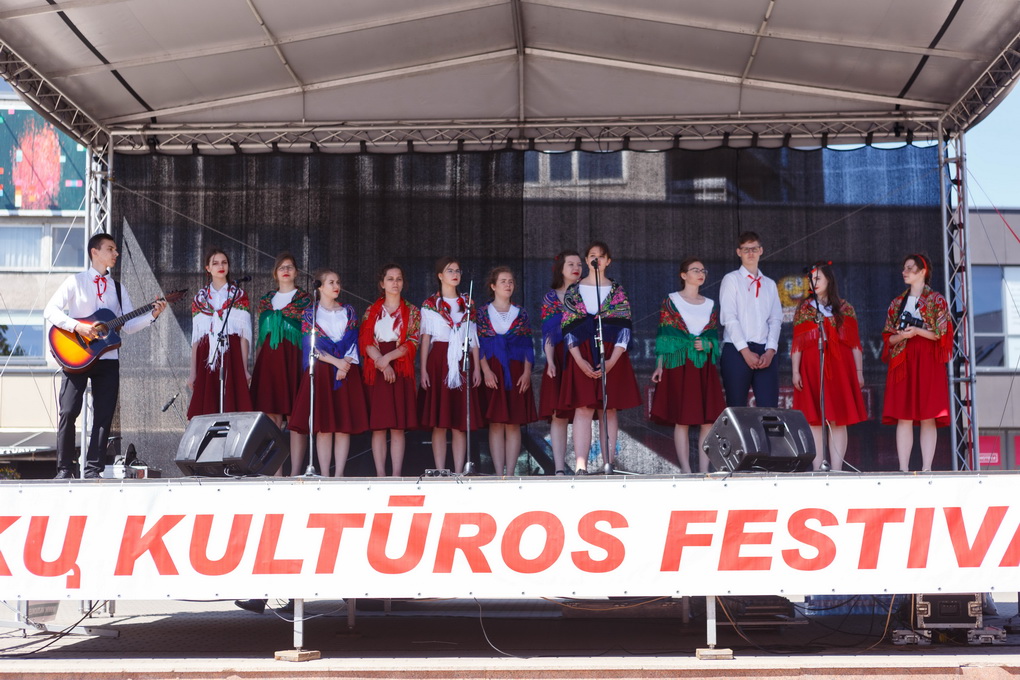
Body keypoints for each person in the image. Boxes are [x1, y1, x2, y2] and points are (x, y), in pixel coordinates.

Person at [43, 232, 167, 479]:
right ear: (95, 252)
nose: (116, 253)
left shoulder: (118, 289)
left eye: (116, 249)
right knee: (68, 411)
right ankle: (65, 469)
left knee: (103, 415)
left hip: (108, 359)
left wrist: (152, 315)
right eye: (110, 248)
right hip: (76, 355)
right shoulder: (75, 281)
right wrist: (77, 327)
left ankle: (93, 470)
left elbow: (128, 325)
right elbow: (50, 310)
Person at [560, 241, 641, 473]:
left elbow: (625, 328)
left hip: (612, 353)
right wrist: (579, 360)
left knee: (609, 407)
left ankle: (609, 463)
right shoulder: (574, 291)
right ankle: (580, 466)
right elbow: (568, 328)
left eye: (602, 256)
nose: (597, 259)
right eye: (592, 256)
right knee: (583, 407)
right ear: (587, 261)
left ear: (608, 261)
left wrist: (612, 361)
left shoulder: (617, 291)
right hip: (582, 352)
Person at [289, 269, 369, 477]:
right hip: (323, 371)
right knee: (324, 425)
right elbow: (311, 346)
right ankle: (324, 474)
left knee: (343, 425)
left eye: (338, 282)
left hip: (346, 371)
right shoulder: (310, 313)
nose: (336, 286)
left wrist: (345, 364)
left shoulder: (348, 311)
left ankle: (339, 473)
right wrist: (336, 363)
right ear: (320, 287)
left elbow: (354, 339)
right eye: (331, 282)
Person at [650, 258, 726, 473]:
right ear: (684, 275)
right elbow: (664, 336)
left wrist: (707, 344)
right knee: (681, 420)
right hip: (678, 363)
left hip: (702, 365)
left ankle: (704, 469)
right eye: (695, 270)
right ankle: (685, 469)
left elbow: (713, 337)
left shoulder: (710, 304)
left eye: (703, 270)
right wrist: (659, 365)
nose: (701, 274)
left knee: (707, 421)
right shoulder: (671, 300)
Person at [791, 263, 867, 471]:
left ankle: (837, 469)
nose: (813, 283)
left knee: (839, 419)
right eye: (811, 279)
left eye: (818, 279)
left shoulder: (844, 308)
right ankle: (818, 468)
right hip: (812, 367)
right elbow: (798, 343)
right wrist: (795, 371)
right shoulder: (804, 308)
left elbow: (854, 344)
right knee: (815, 419)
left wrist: (859, 372)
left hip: (840, 368)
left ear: (829, 280)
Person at [882, 254, 952, 472]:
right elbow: (888, 338)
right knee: (903, 415)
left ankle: (927, 468)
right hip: (903, 361)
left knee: (928, 415)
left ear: (923, 271)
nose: (904, 272)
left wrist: (917, 331)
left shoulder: (936, 300)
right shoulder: (897, 303)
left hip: (928, 360)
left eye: (910, 268)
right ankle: (903, 469)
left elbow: (942, 334)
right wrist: (903, 336)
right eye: (904, 268)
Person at [250, 252, 312, 476]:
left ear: (296, 272)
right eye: (281, 267)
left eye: (290, 266)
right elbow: (261, 337)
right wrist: (256, 366)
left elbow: (311, 334)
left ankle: (295, 473)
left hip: (294, 361)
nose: (286, 270)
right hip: (269, 363)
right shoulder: (266, 301)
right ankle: (276, 472)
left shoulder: (305, 300)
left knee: (295, 418)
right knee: (272, 418)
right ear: (275, 273)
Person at [420, 256, 483, 473]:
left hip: (462, 360)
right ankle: (440, 470)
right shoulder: (430, 304)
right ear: (440, 275)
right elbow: (426, 338)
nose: (455, 274)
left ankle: (458, 470)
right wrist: (423, 370)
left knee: (459, 422)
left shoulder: (468, 303)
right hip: (439, 360)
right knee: (439, 422)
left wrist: (476, 367)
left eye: (457, 270)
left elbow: (473, 337)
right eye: (450, 270)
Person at [360, 263, 421, 477]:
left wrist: (388, 359)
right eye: (390, 279)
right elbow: (365, 341)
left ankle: (396, 475)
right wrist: (382, 362)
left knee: (397, 426)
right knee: (378, 426)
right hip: (377, 368)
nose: (395, 283)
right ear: (382, 283)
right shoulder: (371, 311)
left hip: (400, 367)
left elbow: (413, 341)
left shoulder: (412, 311)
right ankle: (380, 475)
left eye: (399, 279)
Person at [477, 266, 538, 476]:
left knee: (513, 423)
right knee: (496, 423)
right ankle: (498, 473)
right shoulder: (482, 313)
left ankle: (510, 473)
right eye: (503, 281)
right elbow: (479, 344)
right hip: (493, 371)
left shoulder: (521, 313)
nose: (508, 285)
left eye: (511, 281)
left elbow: (528, 345)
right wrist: (486, 371)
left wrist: (527, 373)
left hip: (516, 371)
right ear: (493, 286)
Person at [186, 248, 254, 418]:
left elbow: (243, 336)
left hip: (232, 353)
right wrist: (192, 372)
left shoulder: (239, 296)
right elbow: (196, 339)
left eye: (224, 262)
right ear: (208, 268)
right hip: (207, 355)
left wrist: (244, 369)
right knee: (208, 405)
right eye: (215, 263)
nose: (220, 266)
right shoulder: (200, 299)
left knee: (232, 404)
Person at [719, 231, 783, 408]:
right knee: (736, 407)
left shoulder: (769, 284)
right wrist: (745, 351)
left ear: (761, 251)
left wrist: (770, 350)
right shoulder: (731, 279)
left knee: (769, 408)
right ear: (738, 252)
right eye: (746, 249)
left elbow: (776, 319)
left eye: (754, 249)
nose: (750, 253)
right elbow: (729, 318)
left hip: (765, 352)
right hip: (737, 350)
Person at [538, 251, 583, 475]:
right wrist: (549, 360)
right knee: (558, 413)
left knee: (583, 410)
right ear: (561, 269)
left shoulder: (587, 294)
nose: (576, 268)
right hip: (559, 355)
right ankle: (558, 469)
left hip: (583, 355)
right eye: (571, 264)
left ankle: (582, 467)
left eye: (579, 264)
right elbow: (547, 333)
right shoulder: (550, 298)